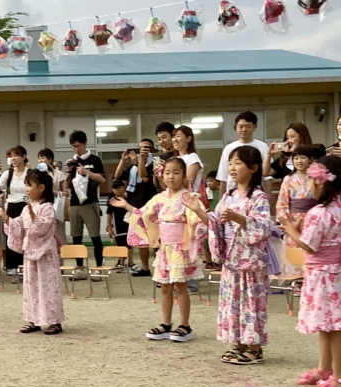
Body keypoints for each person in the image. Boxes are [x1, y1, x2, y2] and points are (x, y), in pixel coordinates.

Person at [280, 156, 341, 387]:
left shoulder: (319, 212)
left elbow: (309, 244)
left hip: (323, 275)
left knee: (333, 327)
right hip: (333, 273)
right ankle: (325, 368)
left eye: (312, 180)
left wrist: (290, 229)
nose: (309, 186)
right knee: (326, 325)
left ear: (322, 182)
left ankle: (340, 376)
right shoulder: (338, 208)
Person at [191, 146, 272, 365]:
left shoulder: (259, 197)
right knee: (233, 302)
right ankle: (239, 344)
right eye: (230, 163)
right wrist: (197, 210)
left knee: (250, 302)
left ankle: (254, 348)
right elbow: (215, 223)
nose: (232, 168)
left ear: (253, 168)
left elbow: (263, 227)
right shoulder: (228, 195)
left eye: (238, 163)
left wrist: (238, 218)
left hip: (250, 261)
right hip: (232, 259)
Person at [113, 158, 203, 343]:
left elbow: (196, 220)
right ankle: (166, 323)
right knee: (165, 287)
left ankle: (185, 325)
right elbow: (144, 215)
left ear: (184, 176)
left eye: (176, 172)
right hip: (164, 249)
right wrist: (127, 206)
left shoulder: (188, 197)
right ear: (162, 175)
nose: (171, 176)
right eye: (168, 172)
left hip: (180, 247)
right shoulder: (159, 198)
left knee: (180, 286)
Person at [0, 169, 65, 336]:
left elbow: (43, 228)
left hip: (45, 254)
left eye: (29, 185)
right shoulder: (26, 209)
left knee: (48, 286)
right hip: (30, 253)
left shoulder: (47, 208)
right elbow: (18, 227)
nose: (26, 188)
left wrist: (34, 218)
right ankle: (33, 320)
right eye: (26, 185)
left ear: (41, 187)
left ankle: (54, 321)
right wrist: (4, 216)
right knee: (31, 286)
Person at [114, 139, 156, 275]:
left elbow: (145, 178)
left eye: (145, 148)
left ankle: (159, 268)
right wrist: (123, 160)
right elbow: (117, 176)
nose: (141, 151)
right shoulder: (132, 167)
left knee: (155, 239)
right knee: (141, 239)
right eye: (139, 148)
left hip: (149, 204)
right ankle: (145, 268)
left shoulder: (153, 164)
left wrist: (138, 162)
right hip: (134, 204)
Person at [65, 131, 106, 270]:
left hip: (90, 203)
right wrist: (68, 170)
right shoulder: (73, 161)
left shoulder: (94, 160)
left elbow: (102, 179)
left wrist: (87, 172)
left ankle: (99, 267)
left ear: (85, 143)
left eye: (78, 146)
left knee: (95, 237)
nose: (76, 149)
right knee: (76, 237)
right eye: (73, 146)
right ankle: (80, 268)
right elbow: (65, 186)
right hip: (74, 204)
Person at [0, 145, 31, 276]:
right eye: (11, 156)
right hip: (12, 206)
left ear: (24, 157)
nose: (13, 158)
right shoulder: (8, 174)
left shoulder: (30, 173)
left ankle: (25, 263)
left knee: (26, 235)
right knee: (12, 235)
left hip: (26, 206)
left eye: (16, 155)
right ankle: (12, 265)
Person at [275, 145, 317, 250]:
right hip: (293, 221)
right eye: (296, 158)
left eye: (303, 157)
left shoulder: (316, 179)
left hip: (313, 220)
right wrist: (289, 223)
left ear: (310, 159)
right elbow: (281, 204)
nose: (299, 161)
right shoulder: (288, 179)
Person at [215, 112, 270, 192]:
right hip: (232, 193)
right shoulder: (228, 148)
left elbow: (267, 176)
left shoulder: (263, 146)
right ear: (236, 127)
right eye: (241, 127)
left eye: (248, 126)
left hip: (255, 191)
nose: (244, 130)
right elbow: (223, 176)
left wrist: (269, 195)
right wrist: (222, 198)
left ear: (254, 127)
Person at [38, 147, 68, 248]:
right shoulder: (37, 174)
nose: (40, 161)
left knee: (58, 232)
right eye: (39, 158)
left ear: (50, 159)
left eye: (42, 158)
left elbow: (65, 192)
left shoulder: (59, 174)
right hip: (42, 206)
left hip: (56, 207)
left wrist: (54, 192)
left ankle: (60, 254)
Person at [106, 179, 130, 268]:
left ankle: (129, 261)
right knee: (120, 243)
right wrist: (109, 226)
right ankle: (121, 262)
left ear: (124, 187)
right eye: (115, 188)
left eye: (120, 187)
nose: (118, 190)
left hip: (128, 224)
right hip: (118, 225)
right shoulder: (112, 199)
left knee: (129, 244)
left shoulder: (129, 197)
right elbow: (109, 213)